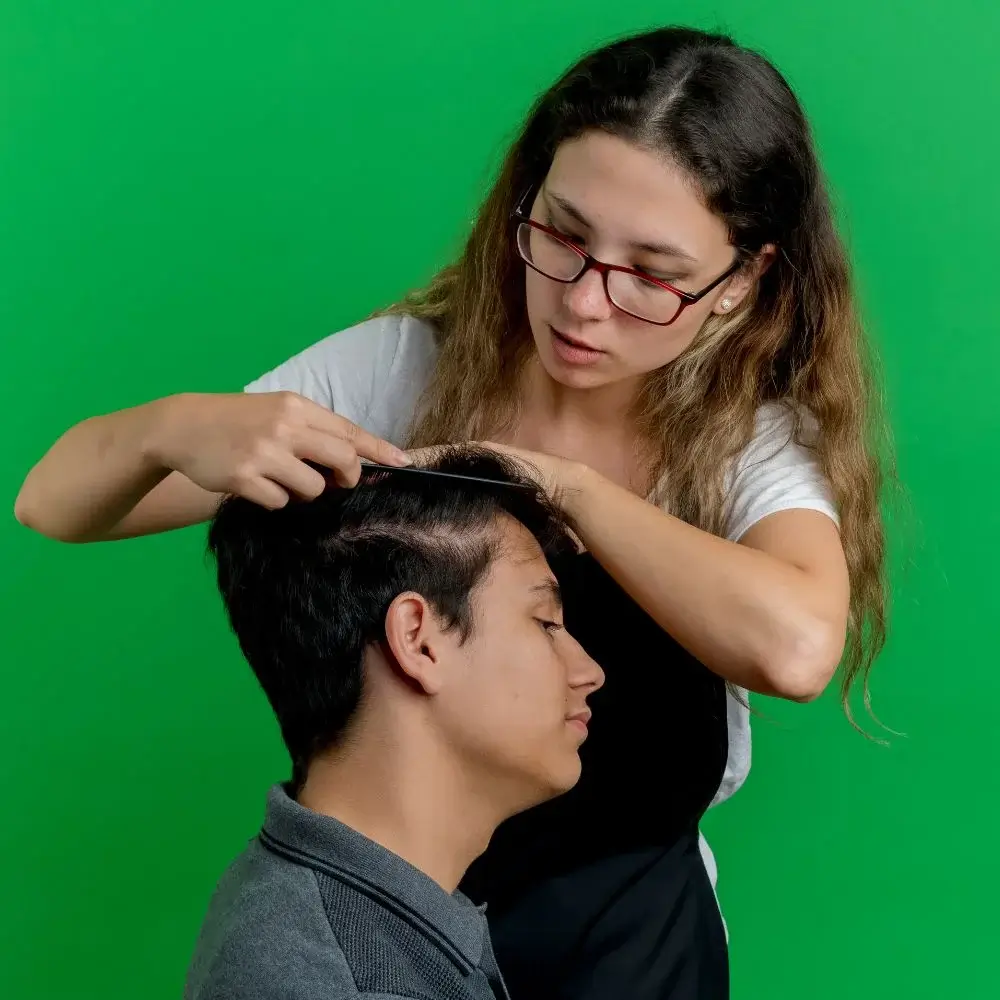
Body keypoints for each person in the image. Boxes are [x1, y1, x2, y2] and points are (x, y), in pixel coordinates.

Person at [15, 25, 889, 1000]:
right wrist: (172, 429)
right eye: (561, 232)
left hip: (640, 949)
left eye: (649, 272)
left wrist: (555, 482)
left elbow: (796, 648)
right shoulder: (401, 372)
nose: (584, 303)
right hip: (406, 923)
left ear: (741, 286)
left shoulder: (746, 443)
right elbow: (50, 502)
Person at [186, 446, 604, 1000]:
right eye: (546, 622)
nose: (589, 672)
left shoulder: (300, 892)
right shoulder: (352, 978)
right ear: (419, 640)